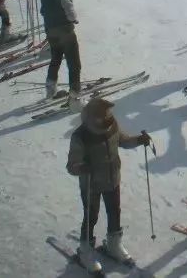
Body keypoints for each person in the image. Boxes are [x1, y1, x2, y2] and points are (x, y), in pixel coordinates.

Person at [66, 97, 152, 272]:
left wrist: (138, 140)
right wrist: (81, 167)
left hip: (113, 178)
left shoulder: (111, 124)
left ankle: (114, 243)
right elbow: (71, 165)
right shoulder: (80, 136)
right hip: (91, 184)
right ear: (91, 117)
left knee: (115, 210)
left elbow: (123, 140)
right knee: (91, 216)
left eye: (108, 116)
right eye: (102, 118)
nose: (106, 120)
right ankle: (85, 250)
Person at [33, 0, 82, 102]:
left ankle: (50, 88)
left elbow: (44, 5)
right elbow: (69, 9)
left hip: (50, 29)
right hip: (65, 30)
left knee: (56, 59)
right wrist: (74, 19)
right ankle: (75, 96)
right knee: (74, 63)